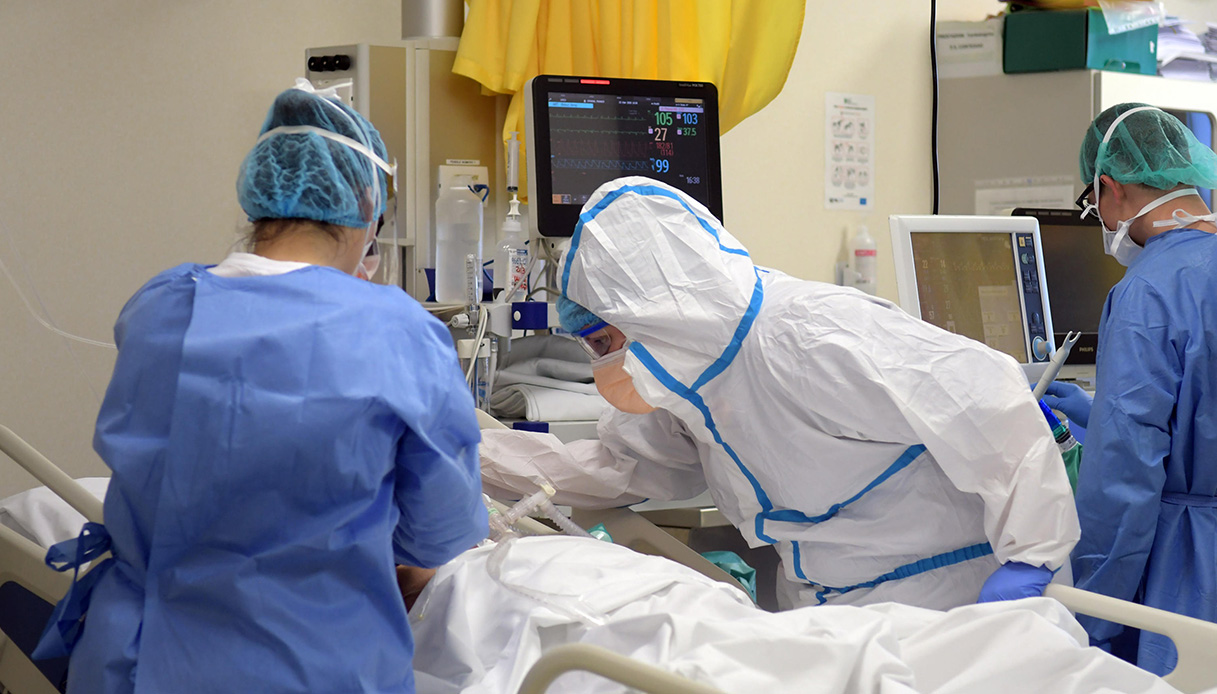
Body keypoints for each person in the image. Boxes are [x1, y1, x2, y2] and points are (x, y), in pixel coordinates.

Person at [33, 82, 487, 693]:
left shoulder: (160, 306)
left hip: (135, 660)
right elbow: (439, 531)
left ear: (260, 195)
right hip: (310, 666)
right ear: (368, 207)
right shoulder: (398, 331)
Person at [480, 175, 1079, 611]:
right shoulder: (689, 378)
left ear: (652, 315)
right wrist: (476, 454)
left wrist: (1032, 558)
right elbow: (625, 468)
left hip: (952, 601)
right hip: (834, 614)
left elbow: (992, 404)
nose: (603, 363)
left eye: (603, 341)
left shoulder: (810, 337)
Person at [1062, 102, 1217, 676]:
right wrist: (1100, 411)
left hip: (1192, 573)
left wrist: (1085, 618)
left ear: (1110, 187)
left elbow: (1123, 486)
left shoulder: (1148, 293)